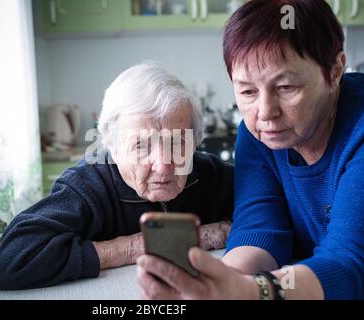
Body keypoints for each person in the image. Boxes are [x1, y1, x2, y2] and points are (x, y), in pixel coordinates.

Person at [137, 0, 363, 300]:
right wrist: (215, 282)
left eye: (285, 88)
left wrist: (250, 291)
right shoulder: (259, 135)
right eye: (247, 91)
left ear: (334, 71)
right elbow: (261, 230)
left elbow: (348, 265)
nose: (265, 113)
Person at [0, 62, 234, 290]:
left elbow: (269, 207)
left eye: (177, 143)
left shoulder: (208, 173)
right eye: (141, 146)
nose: (163, 165)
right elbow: (6, 264)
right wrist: (132, 248)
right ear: (112, 145)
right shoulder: (86, 185)